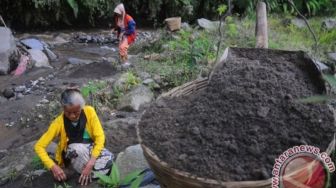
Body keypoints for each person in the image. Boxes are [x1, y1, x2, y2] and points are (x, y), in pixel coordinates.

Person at [34, 88, 113, 186]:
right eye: (68, 112)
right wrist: (53, 166)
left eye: (76, 112)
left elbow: (100, 137)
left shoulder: (89, 112)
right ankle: (78, 171)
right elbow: (39, 146)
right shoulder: (58, 123)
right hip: (73, 154)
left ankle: (83, 171)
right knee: (76, 149)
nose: (72, 116)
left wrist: (91, 162)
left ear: (82, 107)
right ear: (63, 108)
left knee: (109, 159)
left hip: (91, 149)